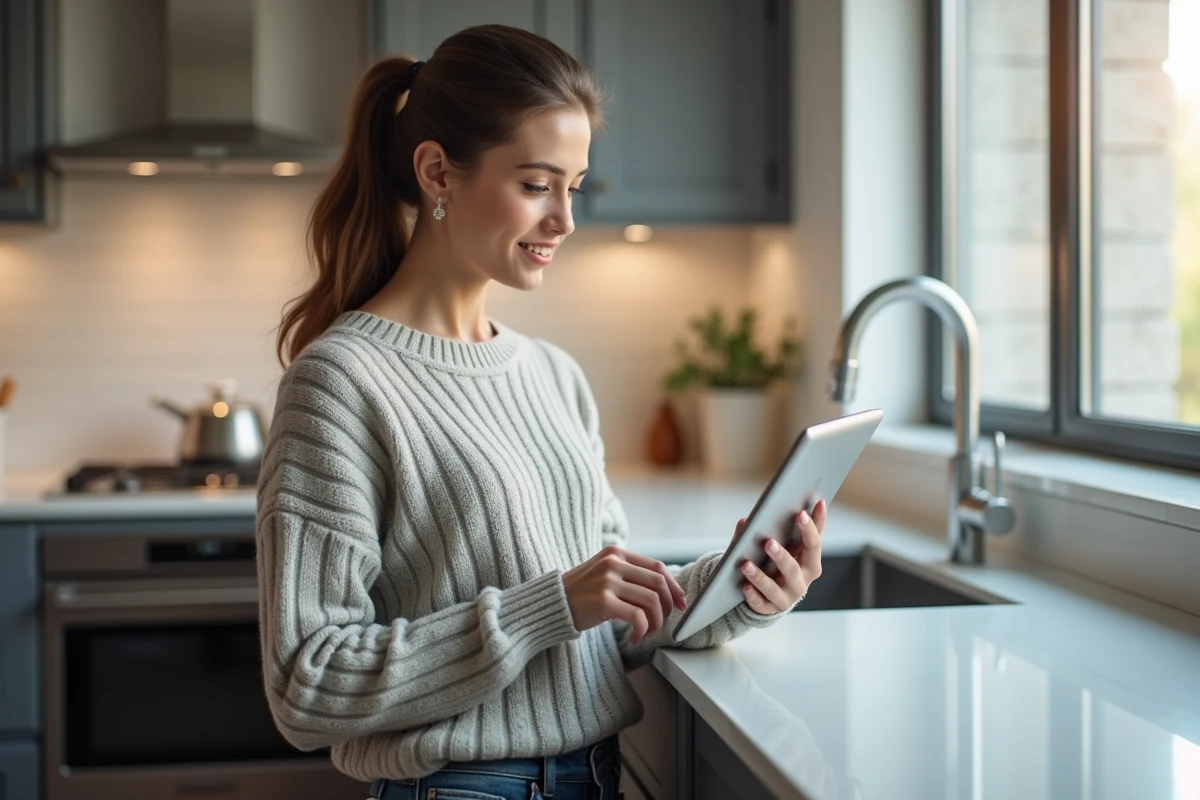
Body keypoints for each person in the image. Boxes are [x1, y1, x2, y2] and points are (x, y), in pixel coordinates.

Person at [255, 24, 826, 800]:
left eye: (574, 186)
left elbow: (611, 616)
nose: (565, 219)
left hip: (592, 777)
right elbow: (306, 684)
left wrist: (738, 589)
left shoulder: (554, 376)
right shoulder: (341, 383)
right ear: (437, 173)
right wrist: (547, 606)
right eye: (536, 184)